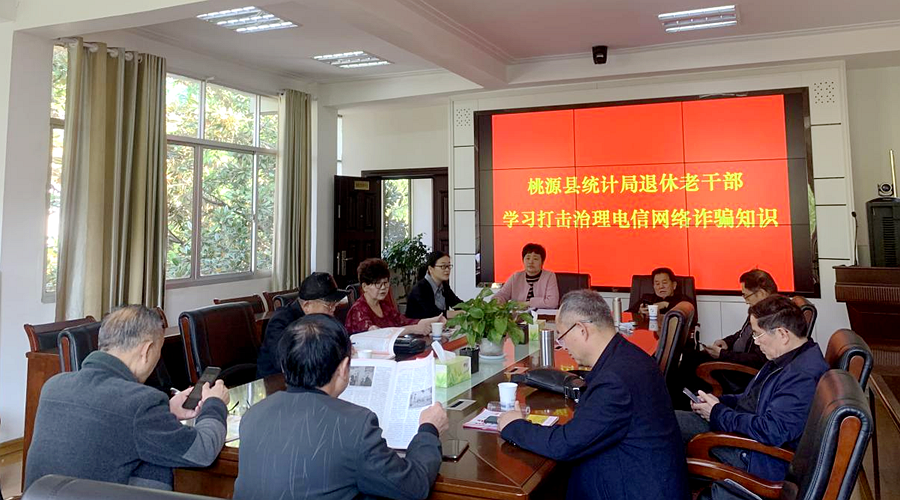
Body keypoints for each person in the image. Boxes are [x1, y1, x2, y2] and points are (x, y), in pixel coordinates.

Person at [497, 290, 689, 500]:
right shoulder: (629, 356)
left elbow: (565, 444)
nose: (563, 346)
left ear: (582, 330)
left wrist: (514, 425)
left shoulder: (614, 381)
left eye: (561, 336)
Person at [234, 314, 449, 500]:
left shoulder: (253, 414)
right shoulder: (356, 425)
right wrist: (428, 429)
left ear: (284, 365)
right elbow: (414, 486)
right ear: (344, 367)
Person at [25, 305, 230, 491]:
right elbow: (202, 451)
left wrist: (166, 410)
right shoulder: (140, 403)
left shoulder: (54, 385)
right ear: (146, 350)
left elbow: (108, 426)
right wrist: (215, 404)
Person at [675, 295, 828, 499]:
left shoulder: (802, 376)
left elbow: (772, 431)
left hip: (756, 456)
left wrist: (718, 413)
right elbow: (752, 399)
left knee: (664, 432)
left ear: (782, 334)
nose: (755, 342)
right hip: (745, 434)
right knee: (666, 422)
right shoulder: (787, 357)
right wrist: (720, 402)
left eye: (757, 334)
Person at [680, 269, 776, 395]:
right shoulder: (759, 309)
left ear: (762, 293)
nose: (746, 301)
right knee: (689, 355)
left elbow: (758, 360)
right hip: (734, 358)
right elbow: (742, 333)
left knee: (691, 363)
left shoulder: (772, 316)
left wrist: (723, 355)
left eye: (746, 295)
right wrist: (726, 342)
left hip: (742, 372)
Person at [256, 272, 348, 378]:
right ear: (307, 305)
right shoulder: (281, 320)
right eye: (329, 306)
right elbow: (283, 361)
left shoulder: (322, 318)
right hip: (276, 381)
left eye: (335, 304)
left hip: (312, 377)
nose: (333, 310)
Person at [344, 258, 444, 334]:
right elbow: (377, 334)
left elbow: (403, 321)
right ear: (365, 286)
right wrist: (413, 329)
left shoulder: (384, 305)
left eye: (386, 283)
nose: (383, 287)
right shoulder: (358, 310)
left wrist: (433, 320)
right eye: (378, 284)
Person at [493, 243, 559, 309]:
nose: (531, 262)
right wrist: (498, 300)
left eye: (535, 259)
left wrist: (526, 304)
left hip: (542, 314)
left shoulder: (549, 276)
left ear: (542, 261)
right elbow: (502, 294)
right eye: (528, 258)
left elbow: (552, 302)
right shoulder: (515, 277)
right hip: (517, 314)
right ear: (523, 260)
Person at [405, 251, 462, 320]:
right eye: (443, 266)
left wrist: (470, 308)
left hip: (439, 325)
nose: (447, 270)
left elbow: (457, 304)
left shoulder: (444, 286)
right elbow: (432, 313)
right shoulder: (420, 288)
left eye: (449, 266)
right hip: (417, 326)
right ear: (430, 269)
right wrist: (458, 313)